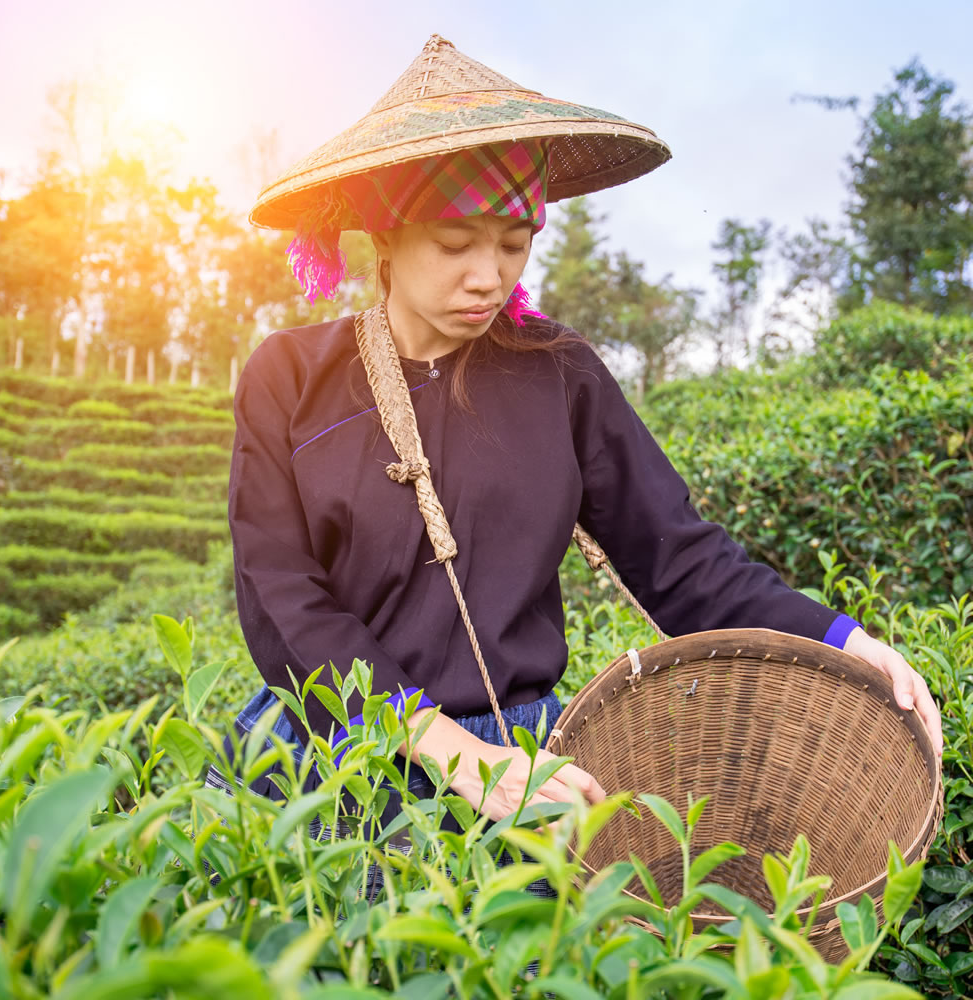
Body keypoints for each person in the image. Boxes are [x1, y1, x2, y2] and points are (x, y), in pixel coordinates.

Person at [209, 35, 942, 826]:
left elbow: (680, 559)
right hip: (331, 754)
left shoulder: (557, 372)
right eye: (456, 244)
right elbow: (282, 597)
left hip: (517, 762)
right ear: (384, 238)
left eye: (514, 245)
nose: (489, 276)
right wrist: (447, 749)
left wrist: (841, 638)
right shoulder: (289, 377)